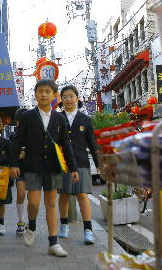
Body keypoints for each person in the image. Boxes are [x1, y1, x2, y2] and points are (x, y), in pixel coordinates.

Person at [10, 79, 79, 257]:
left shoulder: (60, 118)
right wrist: (14, 164)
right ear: (35, 94)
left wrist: (73, 168)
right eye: (40, 91)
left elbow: (66, 144)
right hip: (32, 166)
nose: (44, 94)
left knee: (50, 203)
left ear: (55, 95)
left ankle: (53, 242)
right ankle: (31, 225)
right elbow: (17, 142)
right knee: (33, 202)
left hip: (53, 167)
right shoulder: (26, 117)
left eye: (48, 91)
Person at [57, 85, 99, 245]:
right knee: (64, 195)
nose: (68, 99)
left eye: (71, 96)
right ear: (61, 99)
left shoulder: (85, 120)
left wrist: (99, 164)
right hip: (62, 163)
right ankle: (64, 225)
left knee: (82, 195)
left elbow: (92, 144)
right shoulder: (56, 118)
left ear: (77, 98)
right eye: (65, 96)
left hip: (81, 162)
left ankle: (88, 230)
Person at [9, 108, 28, 236]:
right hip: (20, 169)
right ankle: (21, 222)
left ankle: (31, 223)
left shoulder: (36, 135)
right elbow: (12, 154)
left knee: (33, 199)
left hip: (34, 169)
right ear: (17, 122)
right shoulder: (13, 137)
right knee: (21, 195)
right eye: (21, 121)